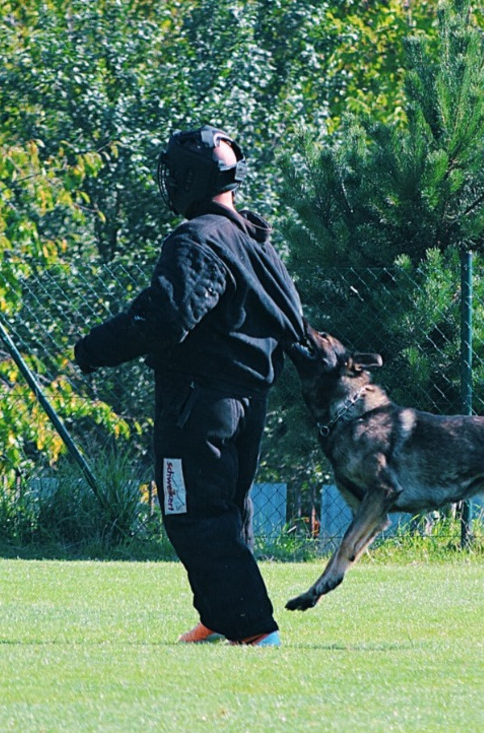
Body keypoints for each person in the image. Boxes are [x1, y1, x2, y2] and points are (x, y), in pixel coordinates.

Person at [73, 125, 304, 647]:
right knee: (227, 510)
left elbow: (164, 318)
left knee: (191, 511)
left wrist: (92, 349)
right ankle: (221, 616)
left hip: (198, 403)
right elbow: (291, 319)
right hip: (246, 402)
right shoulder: (252, 240)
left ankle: (252, 629)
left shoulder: (197, 238)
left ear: (192, 180)